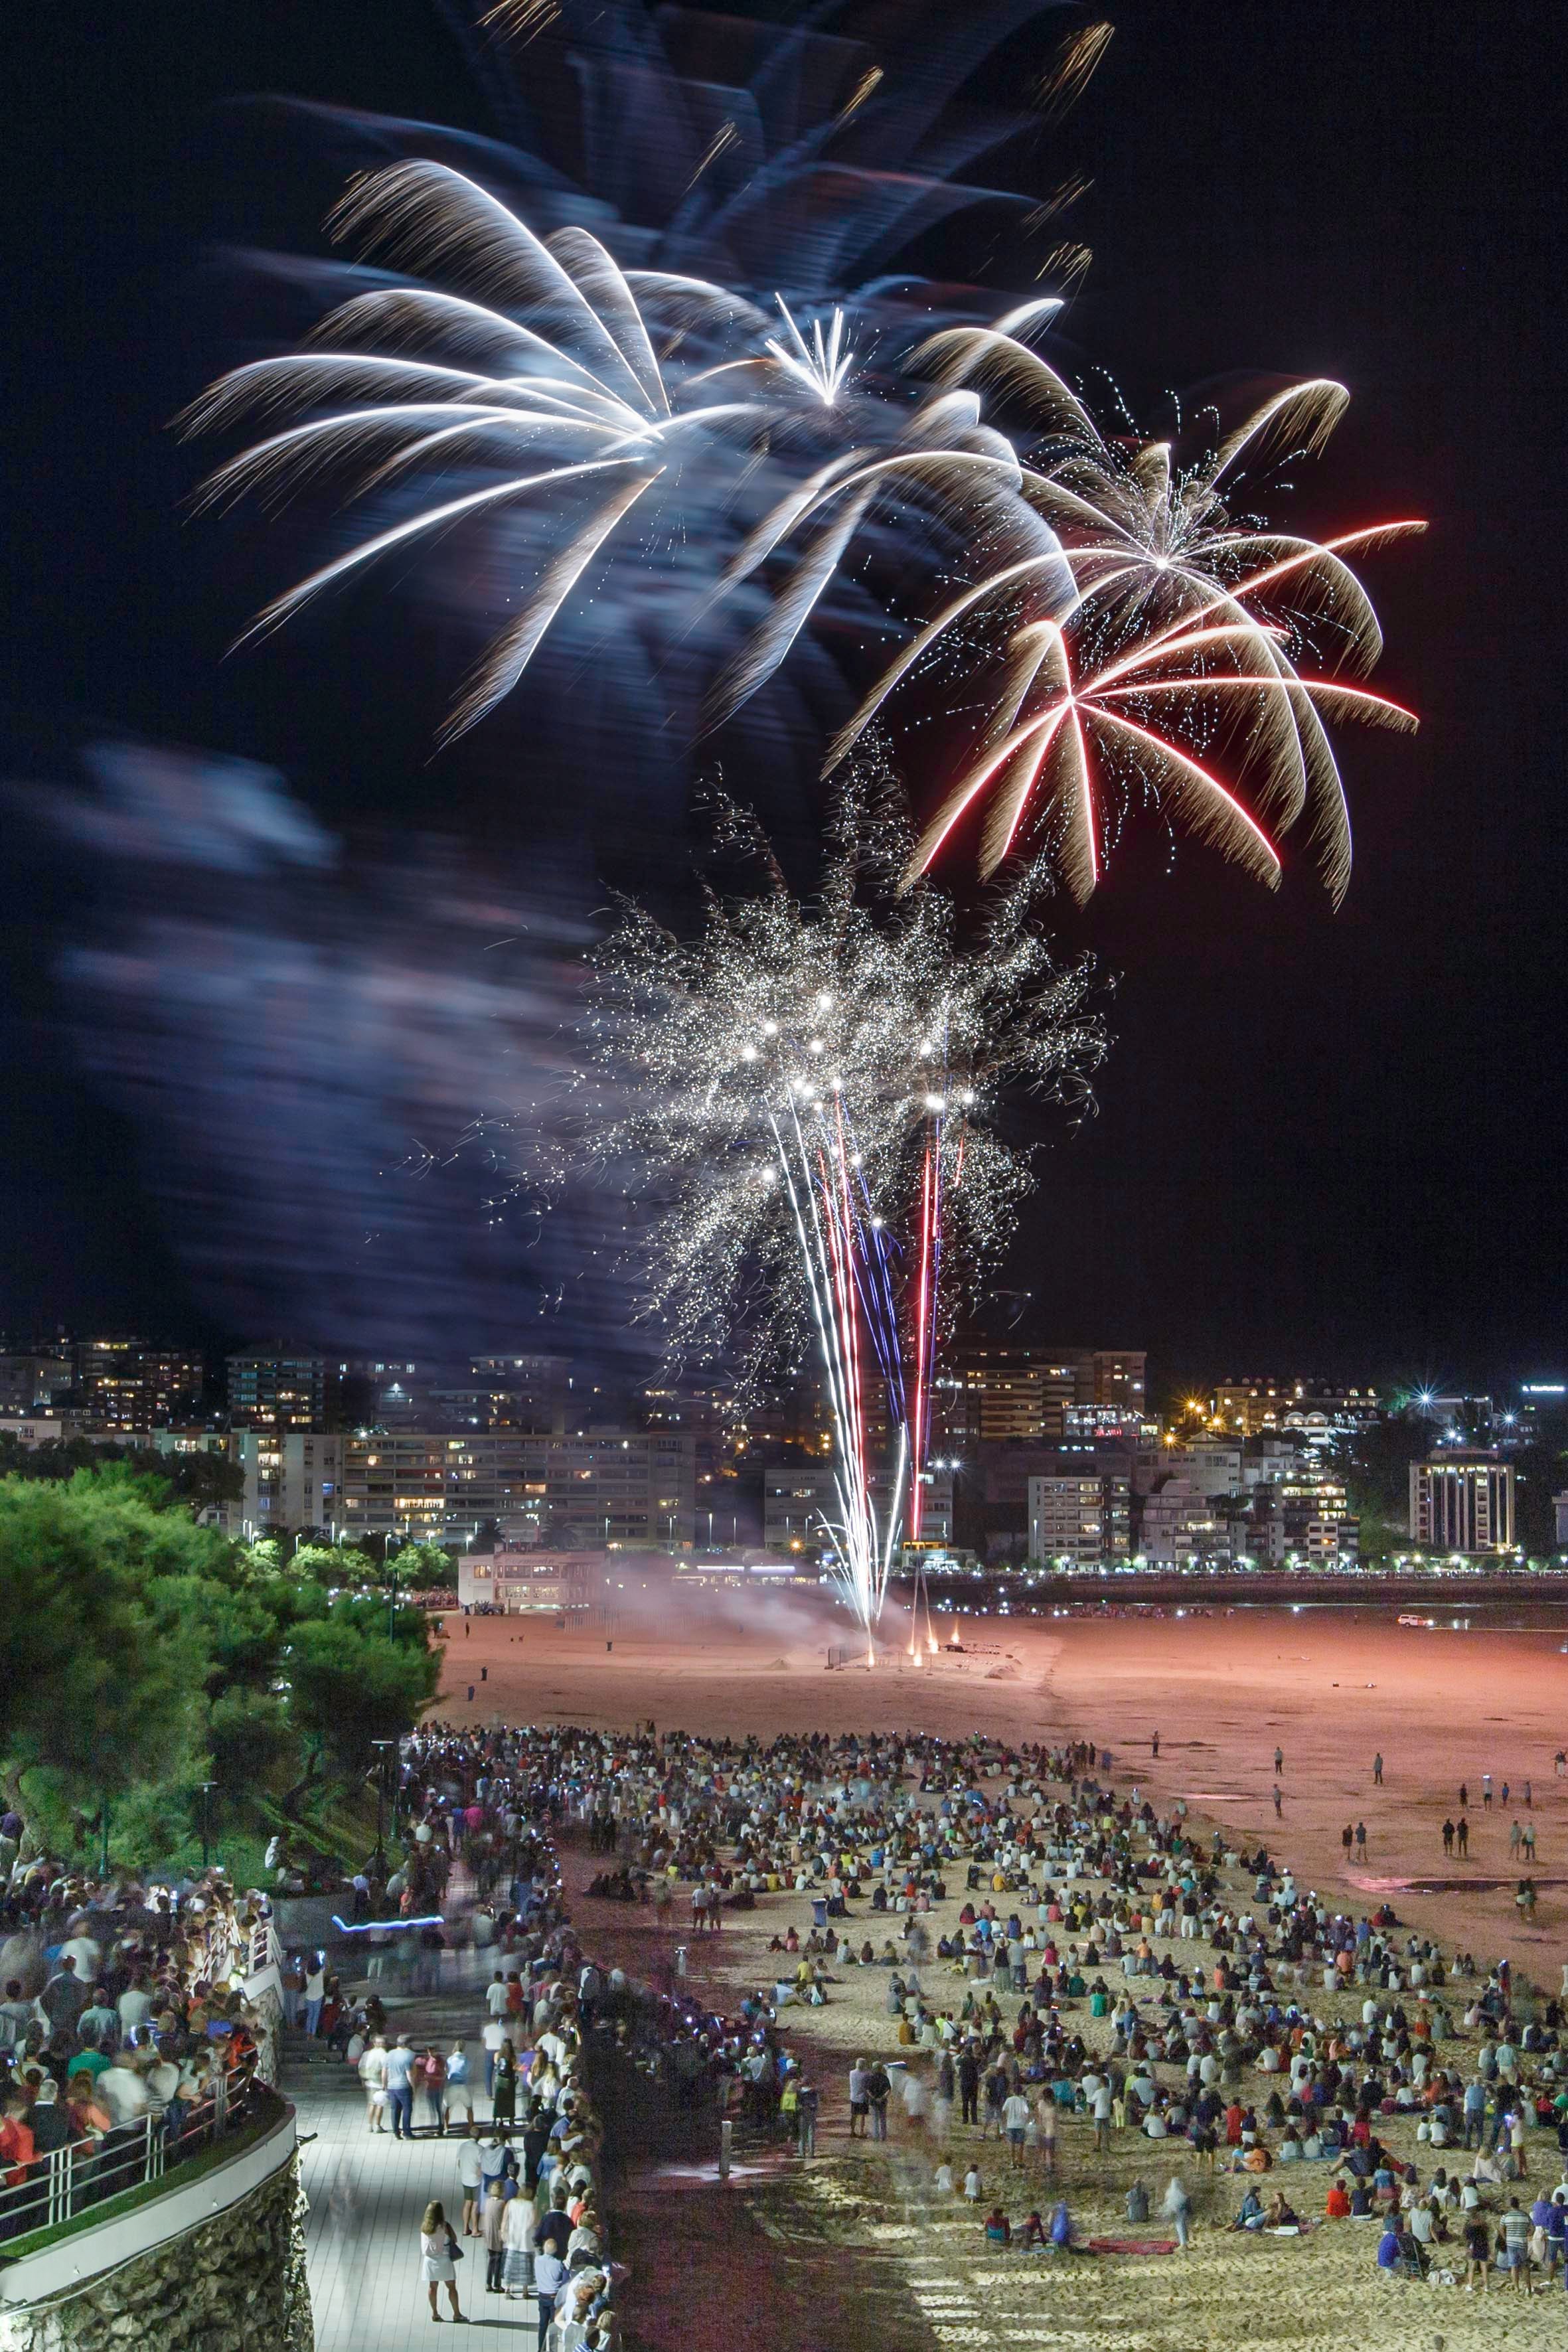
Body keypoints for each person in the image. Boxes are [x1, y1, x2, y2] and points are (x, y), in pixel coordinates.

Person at [420, 2198, 466, 2323]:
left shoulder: (424, 2227)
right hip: (444, 2259)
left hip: (429, 2261)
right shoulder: (445, 2226)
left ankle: (435, 2313)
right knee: (451, 2287)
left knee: (432, 2287)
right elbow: (454, 2240)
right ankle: (457, 2314)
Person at [532, 2244, 566, 2351]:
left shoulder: (537, 2260)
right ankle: (553, 2349)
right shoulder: (558, 2263)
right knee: (553, 2326)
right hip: (554, 2297)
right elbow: (562, 2277)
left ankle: (541, 2349)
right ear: (555, 2250)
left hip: (542, 2296)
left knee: (542, 2325)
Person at [384, 2035, 416, 2141]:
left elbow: (385, 2072)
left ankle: (396, 2132)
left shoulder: (389, 2054)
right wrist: (414, 2088)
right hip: (404, 2086)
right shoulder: (409, 2055)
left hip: (391, 2086)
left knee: (395, 2109)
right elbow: (409, 2075)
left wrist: (385, 2086)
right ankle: (407, 2133)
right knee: (407, 2109)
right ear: (407, 2044)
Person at [358, 2033, 389, 2133]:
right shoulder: (384, 2054)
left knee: (371, 2104)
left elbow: (361, 2067)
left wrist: (363, 2080)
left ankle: (369, 2125)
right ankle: (378, 2126)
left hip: (370, 2082)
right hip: (380, 2083)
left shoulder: (367, 2054)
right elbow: (385, 2070)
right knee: (380, 2105)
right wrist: (385, 2084)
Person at [1002, 2087, 1031, 2167]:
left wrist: (1005, 2121)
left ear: (1013, 2091)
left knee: (1012, 2144)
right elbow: (1027, 2112)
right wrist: (1027, 2121)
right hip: (1021, 2125)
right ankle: (1020, 2161)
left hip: (1011, 2125)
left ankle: (1012, 2161)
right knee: (1021, 2144)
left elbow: (1004, 2110)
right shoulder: (1023, 2100)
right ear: (1021, 2092)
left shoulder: (1009, 2100)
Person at [1162, 2176, 1192, 2248]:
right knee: (1182, 2225)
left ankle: (1183, 2243)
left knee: (1180, 2226)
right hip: (1183, 2211)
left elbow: (1168, 2203)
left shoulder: (1169, 2192)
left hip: (1177, 2212)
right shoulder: (1183, 2193)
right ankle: (1184, 2240)